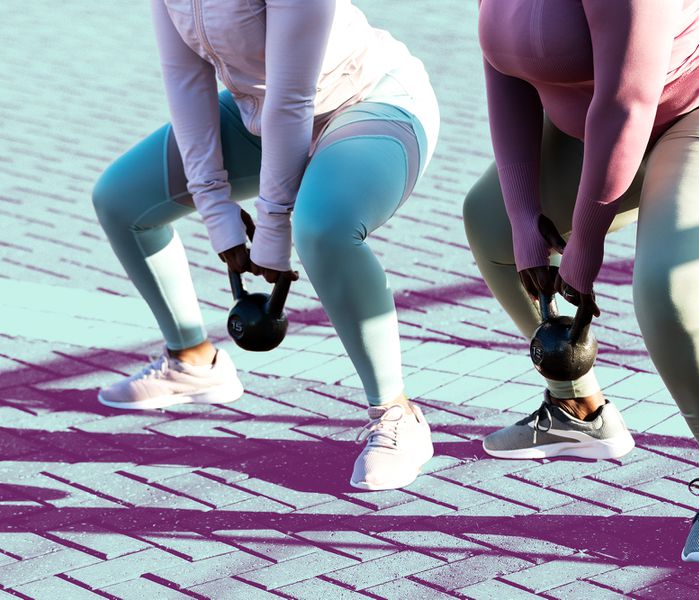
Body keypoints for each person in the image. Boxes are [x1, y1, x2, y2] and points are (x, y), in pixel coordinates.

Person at [464, 0, 699, 564]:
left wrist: (587, 241)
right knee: (491, 220)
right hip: (598, 118)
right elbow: (503, 75)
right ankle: (576, 411)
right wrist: (525, 217)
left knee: (673, 288)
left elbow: (625, 106)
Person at [92, 0, 440, 491]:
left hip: (366, 101)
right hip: (260, 111)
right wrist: (216, 212)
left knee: (321, 228)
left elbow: (292, 97)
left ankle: (397, 415)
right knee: (120, 199)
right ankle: (192, 363)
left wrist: (273, 229)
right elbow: (185, 80)